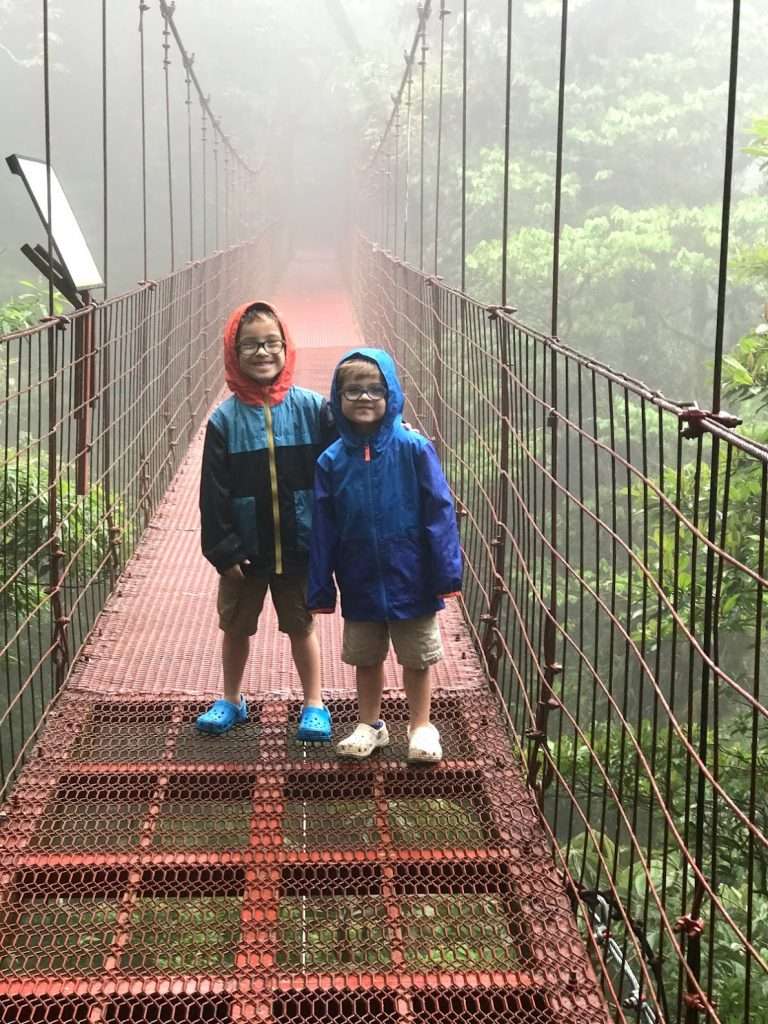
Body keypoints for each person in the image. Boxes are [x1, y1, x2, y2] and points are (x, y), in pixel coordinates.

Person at [307, 348, 462, 763]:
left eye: (375, 389)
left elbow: (439, 509)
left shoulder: (414, 448)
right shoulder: (332, 460)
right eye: (352, 389)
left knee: (416, 658)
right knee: (366, 657)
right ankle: (370, 725)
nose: (363, 397)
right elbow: (323, 527)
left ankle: (421, 726)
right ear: (337, 398)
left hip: (412, 574)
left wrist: (448, 572)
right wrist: (320, 586)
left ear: (391, 394)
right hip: (359, 578)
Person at [197, 300, 335, 741]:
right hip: (245, 548)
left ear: (286, 347)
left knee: (301, 624)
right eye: (251, 345)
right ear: (233, 352)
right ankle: (232, 699)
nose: (262, 353)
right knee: (236, 626)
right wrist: (223, 551)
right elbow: (212, 494)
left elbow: (345, 457)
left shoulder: (314, 409)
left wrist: (396, 431)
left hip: (299, 543)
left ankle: (314, 702)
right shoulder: (224, 420)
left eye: (272, 343)